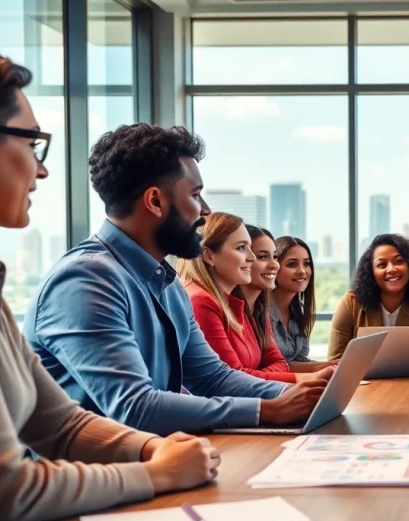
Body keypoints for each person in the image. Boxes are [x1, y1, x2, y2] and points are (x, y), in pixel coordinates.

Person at [0, 47, 219, 521]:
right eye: (34, 144)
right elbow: (5, 492)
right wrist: (156, 474)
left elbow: (60, 425)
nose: (42, 170)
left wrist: (155, 449)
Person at [23, 123, 330, 436]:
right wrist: (267, 410)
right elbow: (134, 407)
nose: (206, 210)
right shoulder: (85, 282)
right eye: (196, 195)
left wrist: (294, 397)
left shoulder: (166, 284)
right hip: (94, 477)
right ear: (155, 201)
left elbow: (213, 378)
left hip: (155, 463)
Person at [178, 213, 298, 384]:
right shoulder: (200, 302)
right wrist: (304, 379)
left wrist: (255, 376)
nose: (251, 257)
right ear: (209, 256)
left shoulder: (235, 304)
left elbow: (278, 363)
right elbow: (232, 380)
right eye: (241, 248)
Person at [329, 233, 409, 360]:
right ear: (370, 272)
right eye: (381, 265)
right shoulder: (351, 304)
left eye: (399, 261)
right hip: (361, 379)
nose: (391, 269)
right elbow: (335, 360)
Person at [270, 236, 333, 371]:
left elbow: (300, 361)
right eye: (292, 264)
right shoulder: (260, 312)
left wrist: (333, 366)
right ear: (274, 267)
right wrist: (328, 366)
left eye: (306, 264)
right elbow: (272, 367)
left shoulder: (299, 311)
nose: (302, 271)